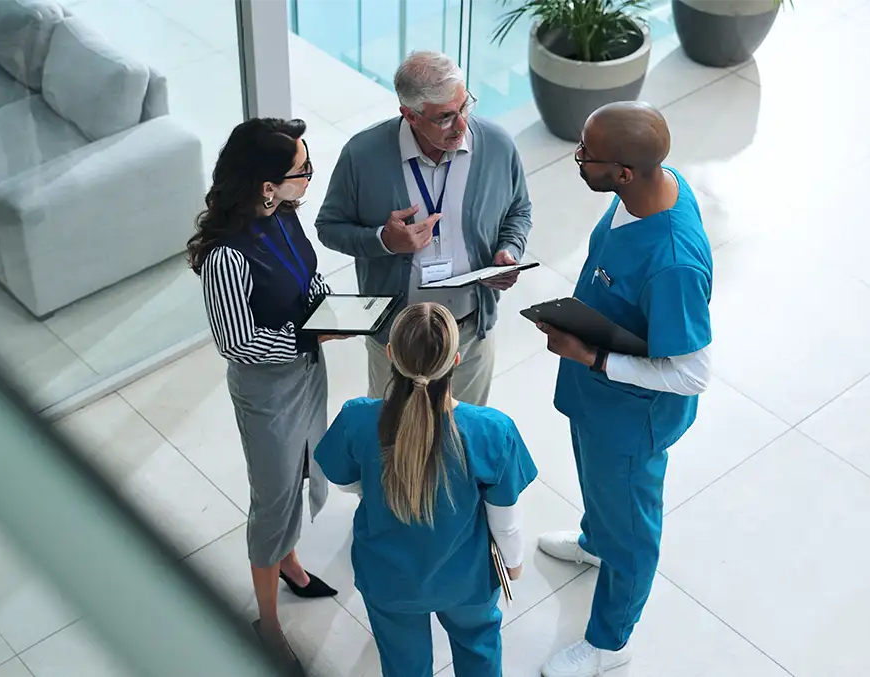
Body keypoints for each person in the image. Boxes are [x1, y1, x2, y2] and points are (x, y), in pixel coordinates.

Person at [533, 102, 713, 677]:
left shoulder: (675, 263)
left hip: (631, 418)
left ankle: (610, 643)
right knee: (596, 486)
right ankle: (594, 539)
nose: (578, 159)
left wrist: (592, 356)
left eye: (588, 155)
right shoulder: (646, 188)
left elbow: (692, 372)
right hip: (597, 392)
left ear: (625, 174)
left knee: (632, 535)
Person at [187, 118, 349, 674]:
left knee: (305, 468)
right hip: (269, 388)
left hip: (307, 368)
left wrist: (333, 308)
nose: (309, 179)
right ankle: (268, 621)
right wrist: (311, 333)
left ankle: (290, 562)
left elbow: (309, 278)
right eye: (301, 171)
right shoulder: (225, 256)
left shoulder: (283, 215)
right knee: (274, 495)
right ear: (265, 184)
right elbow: (238, 343)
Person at [314, 302, 538, 677]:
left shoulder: (357, 418)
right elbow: (505, 522)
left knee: (404, 666)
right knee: (479, 651)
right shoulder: (492, 431)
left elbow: (342, 479)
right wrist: (512, 566)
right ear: (457, 361)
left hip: (389, 580)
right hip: (466, 580)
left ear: (390, 355)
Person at [315, 50, 533, 407]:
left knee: (462, 437)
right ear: (410, 115)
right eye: (445, 117)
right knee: (391, 437)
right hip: (394, 336)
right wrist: (383, 240)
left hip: (470, 332)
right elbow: (329, 227)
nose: (461, 125)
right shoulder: (362, 155)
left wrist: (510, 249)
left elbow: (518, 209)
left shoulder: (496, 145)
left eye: (465, 107)